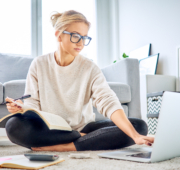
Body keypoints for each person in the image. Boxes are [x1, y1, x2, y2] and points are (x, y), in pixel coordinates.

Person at [5, 10, 154, 152]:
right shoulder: (39, 64)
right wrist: (23, 109)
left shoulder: (90, 67)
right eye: (76, 36)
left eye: (84, 37)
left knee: (139, 127)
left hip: (84, 128)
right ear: (58, 35)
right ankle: (85, 141)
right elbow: (32, 103)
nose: (81, 43)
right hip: (49, 129)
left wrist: (135, 136)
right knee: (13, 126)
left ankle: (67, 146)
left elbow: (107, 100)